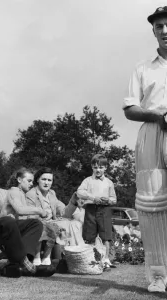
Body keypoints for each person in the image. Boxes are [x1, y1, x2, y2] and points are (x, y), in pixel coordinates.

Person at [123, 6, 167, 292]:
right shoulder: (143, 68)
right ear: (153, 31)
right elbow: (129, 107)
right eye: (159, 26)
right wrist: (156, 116)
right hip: (152, 133)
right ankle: (159, 277)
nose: (165, 31)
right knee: (153, 206)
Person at [25, 167, 85, 266]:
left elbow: (64, 212)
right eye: (44, 179)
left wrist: (73, 201)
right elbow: (30, 215)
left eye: (49, 180)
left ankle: (75, 256)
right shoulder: (31, 194)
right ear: (37, 180)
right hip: (36, 222)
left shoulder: (52, 194)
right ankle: (39, 256)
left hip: (50, 222)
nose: (46, 183)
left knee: (73, 224)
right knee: (46, 225)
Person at [77, 154, 117, 271]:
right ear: (92, 168)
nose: (98, 170)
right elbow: (79, 192)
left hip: (104, 209)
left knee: (106, 236)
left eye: (100, 167)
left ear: (105, 168)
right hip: (91, 208)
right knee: (89, 235)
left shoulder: (109, 182)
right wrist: (93, 197)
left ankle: (106, 260)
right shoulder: (87, 181)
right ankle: (90, 260)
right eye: (95, 167)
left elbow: (114, 200)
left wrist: (108, 200)